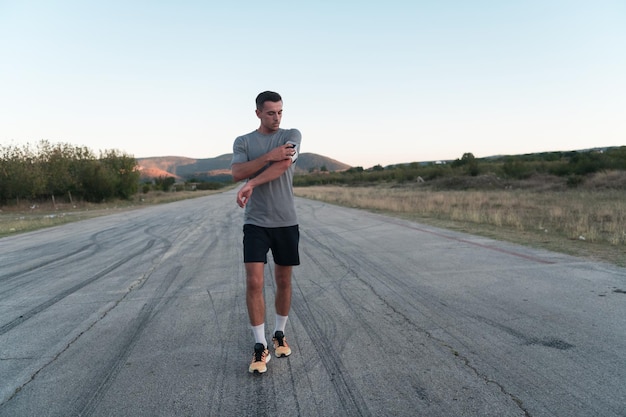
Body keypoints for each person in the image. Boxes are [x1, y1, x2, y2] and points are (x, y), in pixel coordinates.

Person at [231, 91, 302, 374]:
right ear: (258, 112)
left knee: (283, 281)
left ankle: (279, 333)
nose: (277, 118)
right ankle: (260, 346)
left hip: (286, 221)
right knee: (254, 282)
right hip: (256, 222)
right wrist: (269, 155)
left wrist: (252, 183)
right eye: (271, 112)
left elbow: (284, 165)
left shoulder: (292, 134)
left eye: (280, 112)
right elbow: (237, 172)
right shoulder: (244, 141)